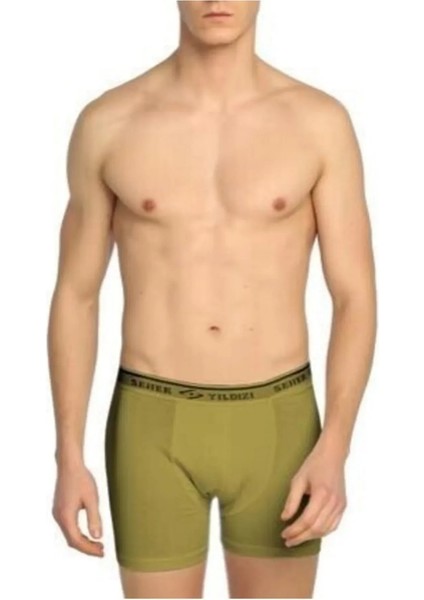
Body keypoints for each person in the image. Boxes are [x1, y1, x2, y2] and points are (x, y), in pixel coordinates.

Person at [48, 1, 377, 597]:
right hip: (151, 422)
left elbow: (354, 295)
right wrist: (68, 455)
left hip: (279, 423)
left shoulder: (318, 122)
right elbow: (76, 294)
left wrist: (336, 445)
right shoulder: (109, 122)